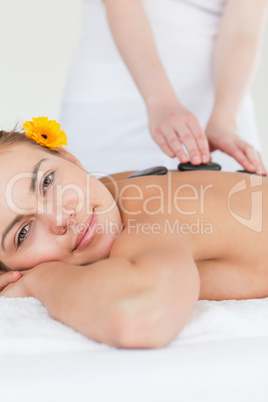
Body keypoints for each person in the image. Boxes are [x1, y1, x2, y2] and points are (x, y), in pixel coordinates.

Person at [0, 118, 268, 349]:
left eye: (47, 182)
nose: (61, 217)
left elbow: (140, 315)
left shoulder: (151, 223)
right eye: (23, 233)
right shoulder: (106, 193)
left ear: (69, 157)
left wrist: (38, 280)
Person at [60, 0, 268, 175]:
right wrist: (160, 100)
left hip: (222, 101)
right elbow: (124, 10)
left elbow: (243, 30)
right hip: (112, 97)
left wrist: (224, 120)